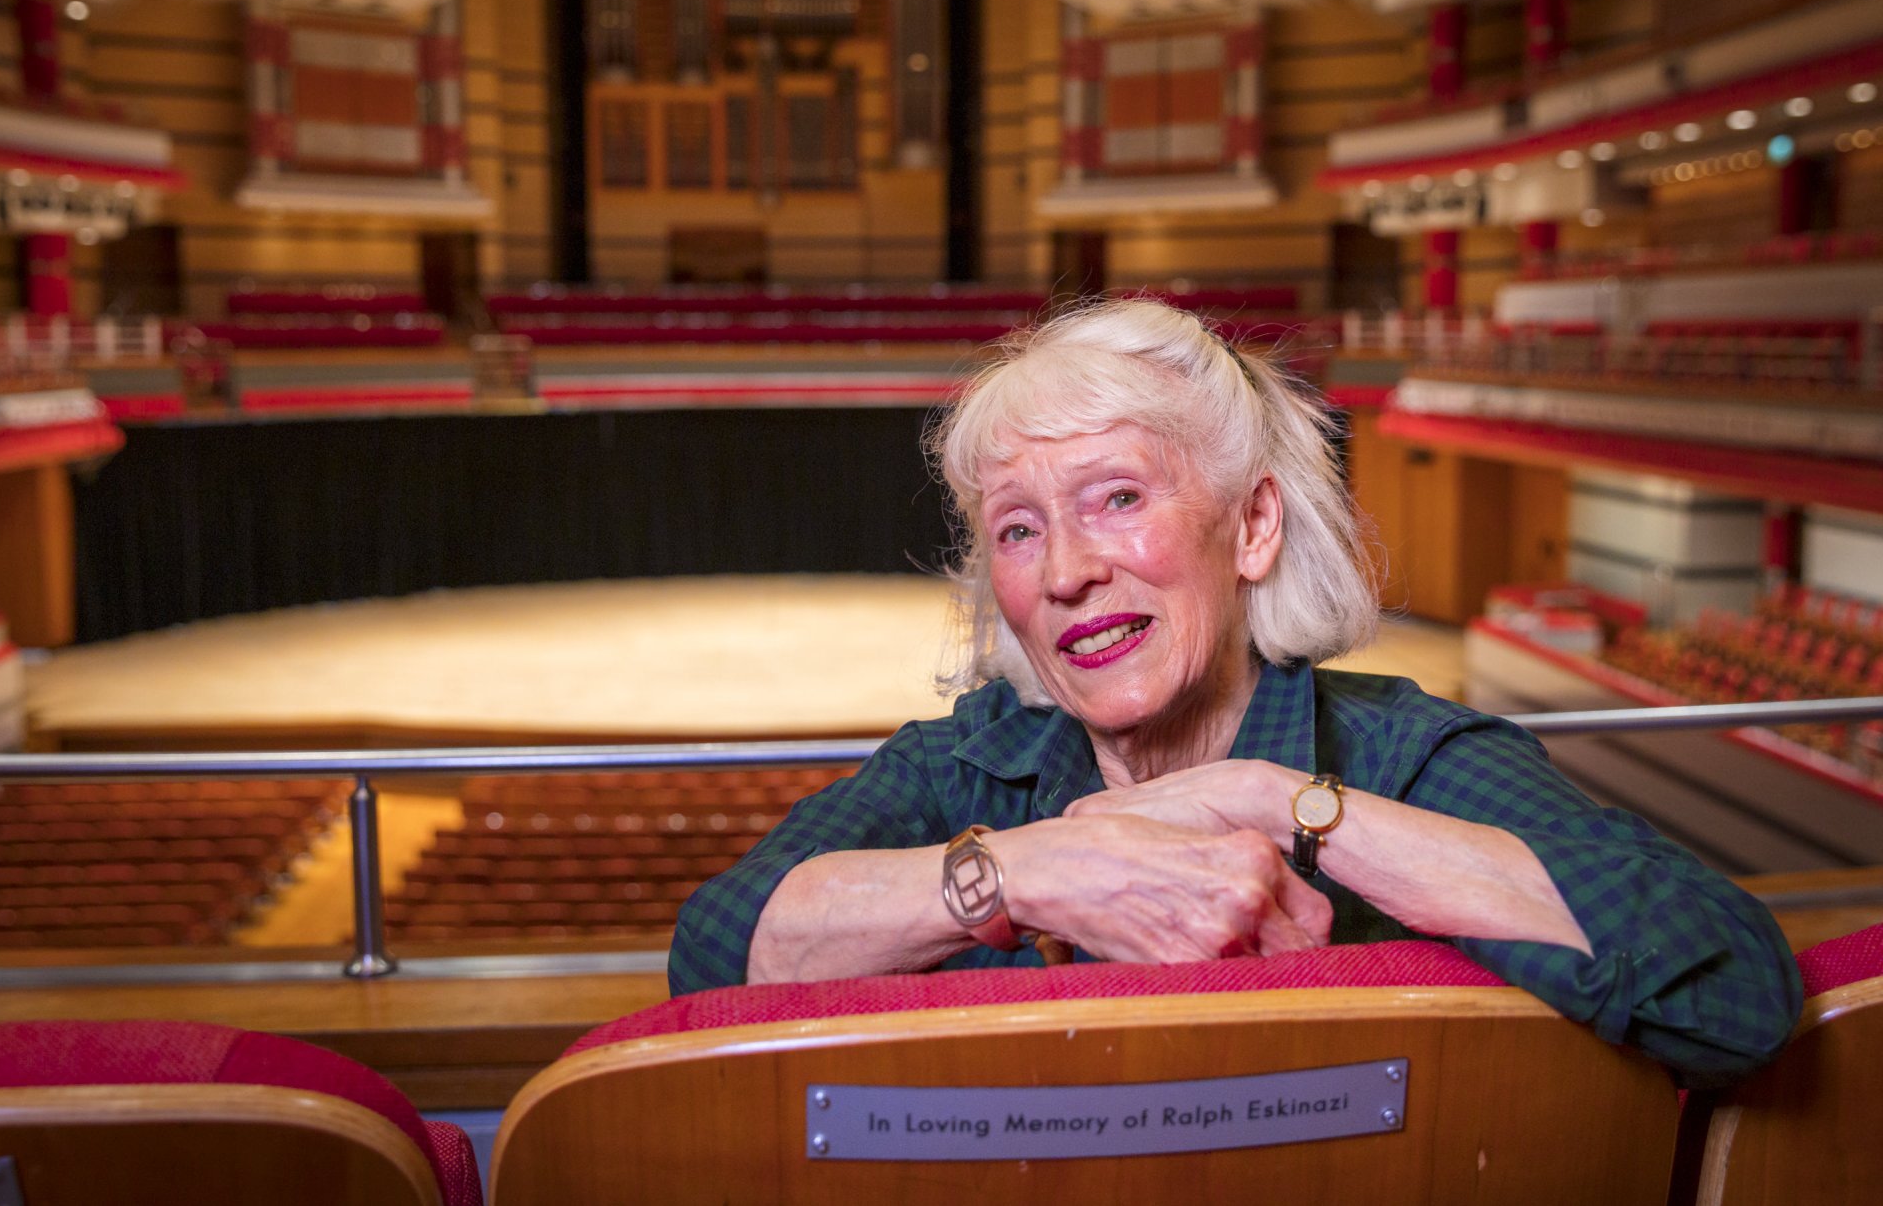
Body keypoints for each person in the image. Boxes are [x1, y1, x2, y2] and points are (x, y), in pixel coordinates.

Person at [668, 298, 1800, 1086]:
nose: (1064, 569)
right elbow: (712, 954)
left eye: (1115, 497)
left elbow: (1734, 991)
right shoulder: (967, 764)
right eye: (1018, 527)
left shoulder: (1405, 755)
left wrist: (1277, 802)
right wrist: (1019, 869)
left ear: (1251, 525)